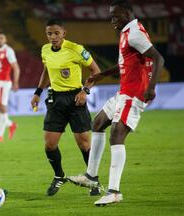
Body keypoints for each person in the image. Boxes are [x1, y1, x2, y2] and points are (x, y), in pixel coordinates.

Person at [67, 0, 164, 206]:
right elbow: (124, 64)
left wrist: (152, 87)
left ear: (128, 13)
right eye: (111, 16)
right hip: (123, 91)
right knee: (98, 123)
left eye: (115, 16)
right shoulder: (127, 33)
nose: (112, 20)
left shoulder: (135, 33)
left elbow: (158, 58)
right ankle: (91, 176)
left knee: (116, 135)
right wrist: (102, 75)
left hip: (134, 93)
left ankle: (114, 191)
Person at [30, 18, 101, 196]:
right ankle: (59, 176)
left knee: (84, 144)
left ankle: (93, 179)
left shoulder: (76, 49)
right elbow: (46, 71)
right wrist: (38, 92)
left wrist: (85, 91)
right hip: (55, 99)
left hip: (76, 99)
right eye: (49, 33)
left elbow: (96, 71)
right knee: (50, 144)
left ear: (64, 33)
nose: (52, 37)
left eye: (56, 33)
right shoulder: (45, 50)